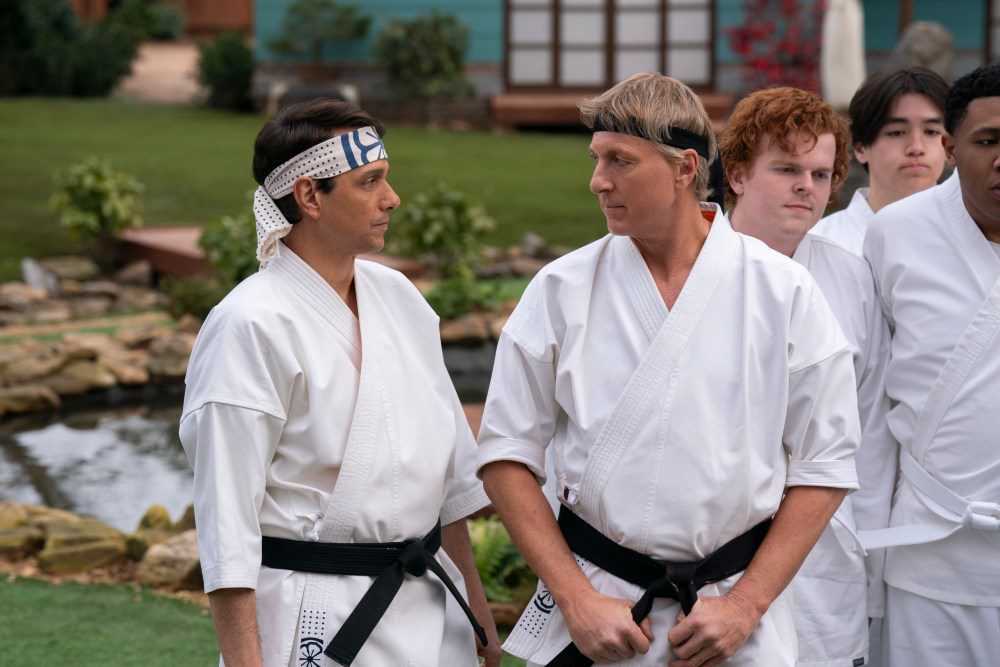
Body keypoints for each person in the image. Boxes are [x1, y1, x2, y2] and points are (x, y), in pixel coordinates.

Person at [476, 72, 860, 667]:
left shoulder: (784, 293)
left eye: (619, 161)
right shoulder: (560, 289)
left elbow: (827, 464)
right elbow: (505, 455)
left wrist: (746, 606)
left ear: (685, 169)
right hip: (601, 612)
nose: (597, 181)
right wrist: (575, 600)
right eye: (597, 158)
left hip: (728, 616)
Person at [179, 99, 500, 667]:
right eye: (369, 181)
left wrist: (476, 610)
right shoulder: (248, 325)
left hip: (430, 610)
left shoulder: (400, 299)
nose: (392, 198)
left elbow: (446, 485)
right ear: (309, 197)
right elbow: (226, 531)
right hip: (315, 615)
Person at [720, 86, 893, 667]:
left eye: (821, 174)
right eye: (787, 168)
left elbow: (869, 429)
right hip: (714, 549)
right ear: (738, 173)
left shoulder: (852, 279)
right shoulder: (687, 272)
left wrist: (866, 551)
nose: (807, 187)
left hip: (824, 550)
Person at [861, 64, 1000, 667]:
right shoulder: (895, 233)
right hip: (929, 553)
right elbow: (868, 404)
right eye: (988, 141)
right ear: (950, 146)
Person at [811, 67, 949, 256]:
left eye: (931, 132)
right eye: (897, 132)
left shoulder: (981, 238)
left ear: (950, 145)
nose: (917, 147)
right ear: (860, 148)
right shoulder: (819, 246)